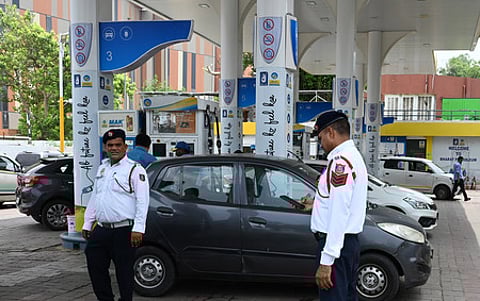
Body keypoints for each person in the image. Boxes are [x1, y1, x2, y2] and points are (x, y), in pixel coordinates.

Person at [82, 129, 150, 301]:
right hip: (102, 229)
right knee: (95, 266)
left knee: (124, 272)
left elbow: (143, 201)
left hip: (124, 230)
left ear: (125, 147)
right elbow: (95, 197)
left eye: (118, 145)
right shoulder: (103, 168)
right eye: (110, 145)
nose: (114, 148)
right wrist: (88, 223)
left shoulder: (135, 169)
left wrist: (139, 228)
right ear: (105, 147)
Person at [310, 110, 367, 301]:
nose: (321, 143)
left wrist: (327, 261)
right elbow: (339, 202)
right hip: (347, 245)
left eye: (320, 138)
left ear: (331, 132)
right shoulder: (353, 156)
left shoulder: (340, 163)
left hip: (336, 247)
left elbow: (339, 212)